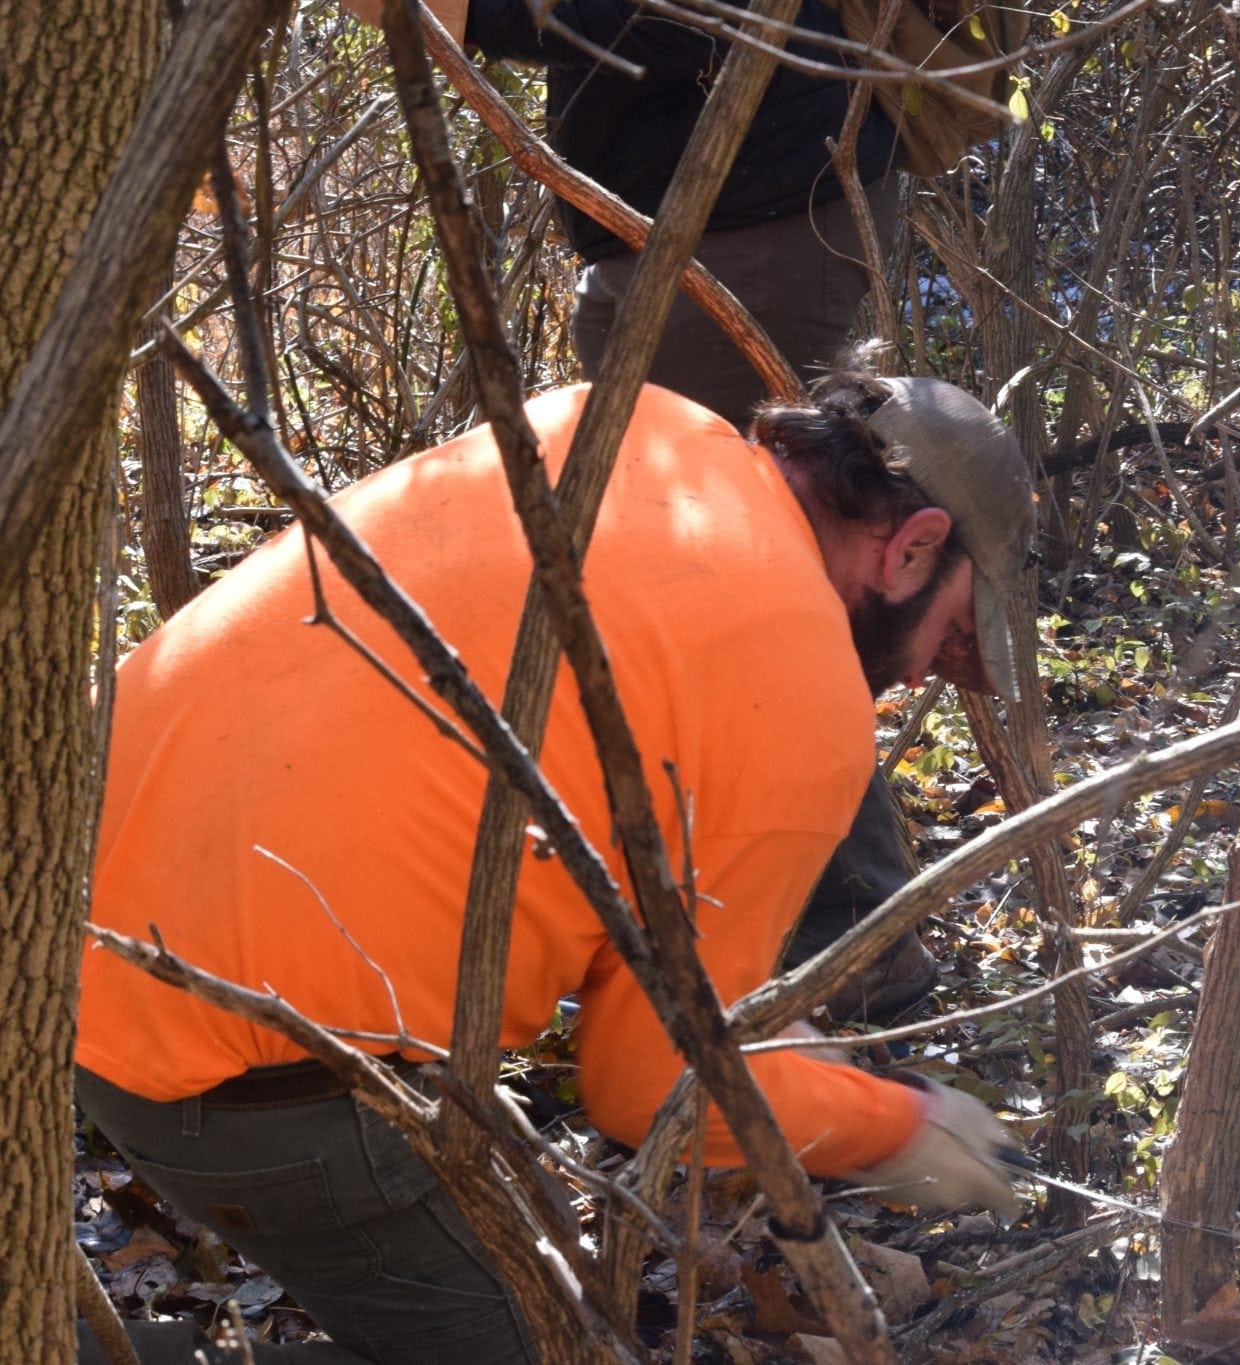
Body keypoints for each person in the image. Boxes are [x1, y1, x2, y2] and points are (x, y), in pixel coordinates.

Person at [76, 369, 1033, 1363]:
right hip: (234, 1059)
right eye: (951, 637)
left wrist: (766, 1030)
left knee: (541, 1260)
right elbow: (660, 1088)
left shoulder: (621, 418)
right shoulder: (804, 697)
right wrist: (903, 1129)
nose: (925, 674)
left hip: (62, 892)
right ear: (913, 547)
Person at [346, 0, 952, 1014]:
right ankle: (811, 923)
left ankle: (854, 935)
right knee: (716, 577)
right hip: (705, 217)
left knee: (739, 583)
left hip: (752, 218)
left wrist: (463, 9)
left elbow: (683, 22)